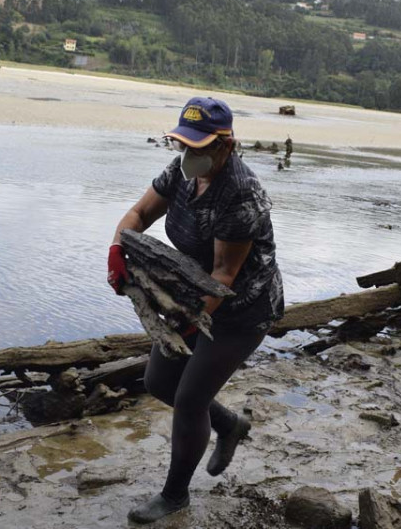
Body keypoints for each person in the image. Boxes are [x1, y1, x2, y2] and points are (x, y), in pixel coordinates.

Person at [107, 97, 284, 524]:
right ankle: (228, 424)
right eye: (184, 143)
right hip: (193, 295)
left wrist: (186, 322)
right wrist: (117, 247)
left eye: (200, 146)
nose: (190, 154)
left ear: (226, 145)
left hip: (241, 309)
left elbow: (223, 276)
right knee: (159, 382)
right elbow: (140, 212)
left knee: (188, 399)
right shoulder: (182, 172)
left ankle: (175, 496)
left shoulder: (239, 194)